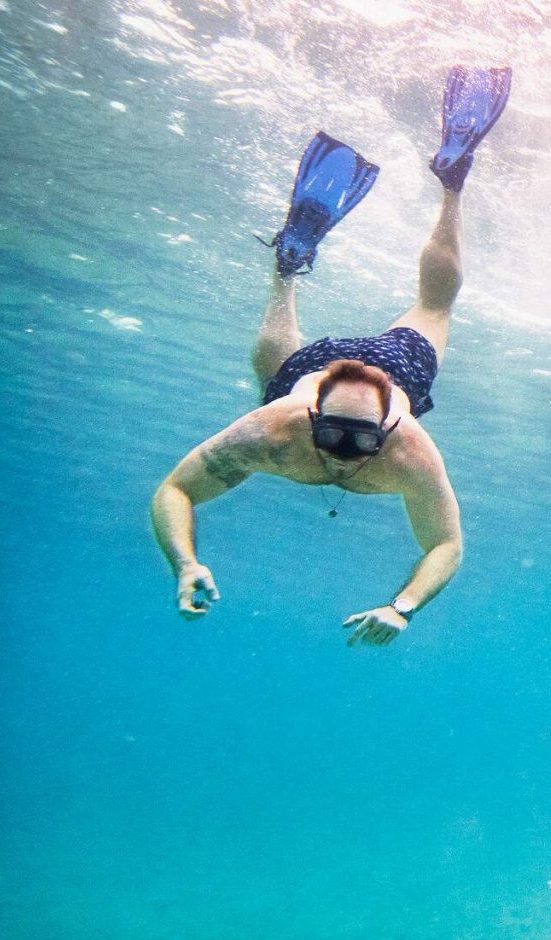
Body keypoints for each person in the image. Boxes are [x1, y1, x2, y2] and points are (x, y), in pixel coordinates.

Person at [149, 68, 511, 645]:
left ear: (390, 428)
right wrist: (184, 564)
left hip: (380, 368)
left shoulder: (411, 452)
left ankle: (294, 263)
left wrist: (403, 607)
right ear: (310, 420)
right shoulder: (272, 429)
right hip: (322, 376)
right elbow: (174, 491)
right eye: (333, 438)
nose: (344, 457)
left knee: (285, 367)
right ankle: (447, 184)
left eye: (360, 442)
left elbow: (449, 546)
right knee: (430, 308)